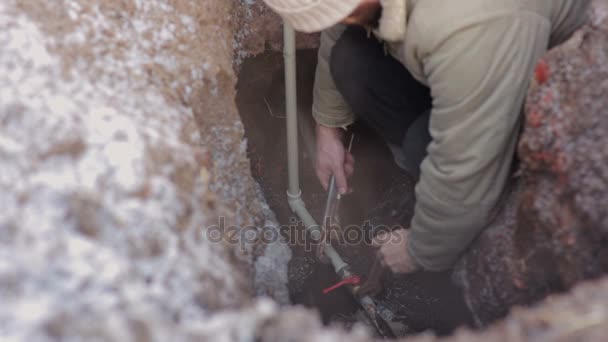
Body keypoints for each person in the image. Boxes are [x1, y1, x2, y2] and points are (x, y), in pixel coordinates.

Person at [262, 0, 590, 274]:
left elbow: (466, 162)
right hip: (460, 59)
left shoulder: (474, 22)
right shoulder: (357, 5)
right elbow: (338, 22)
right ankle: (428, 179)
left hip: (531, 80)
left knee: (426, 145)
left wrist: (420, 251)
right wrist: (327, 128)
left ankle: (470, 204)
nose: (342, 19)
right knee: (351, 59)